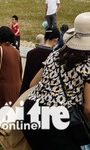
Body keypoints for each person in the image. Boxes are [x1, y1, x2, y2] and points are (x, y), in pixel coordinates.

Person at [22, 12, 90, 148]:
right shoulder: (88, 64)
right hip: (59, 119)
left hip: (31, 113)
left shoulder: (55, 55)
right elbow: (88, 109)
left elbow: (33, 84)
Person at [20, 27, 60, 94]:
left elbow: (26, 78)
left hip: (27, 93)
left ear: (44, 39)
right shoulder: (55, 57)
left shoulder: (31, 53)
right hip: (44, 95)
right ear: (56, 40)